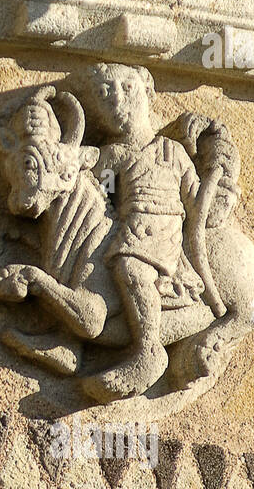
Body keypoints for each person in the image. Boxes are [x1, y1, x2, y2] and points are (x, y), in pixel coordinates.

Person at [80, 62, 204, 398]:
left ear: (148, 90)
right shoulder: (113, 155)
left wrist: (217, 193)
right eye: (104, 93)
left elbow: (196, 201)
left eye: (127, 88)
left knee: (130, 269)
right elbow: (93, 198)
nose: (116, 100)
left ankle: (148, 351)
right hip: (130, 225)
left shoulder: (173, 151)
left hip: (164, 228)